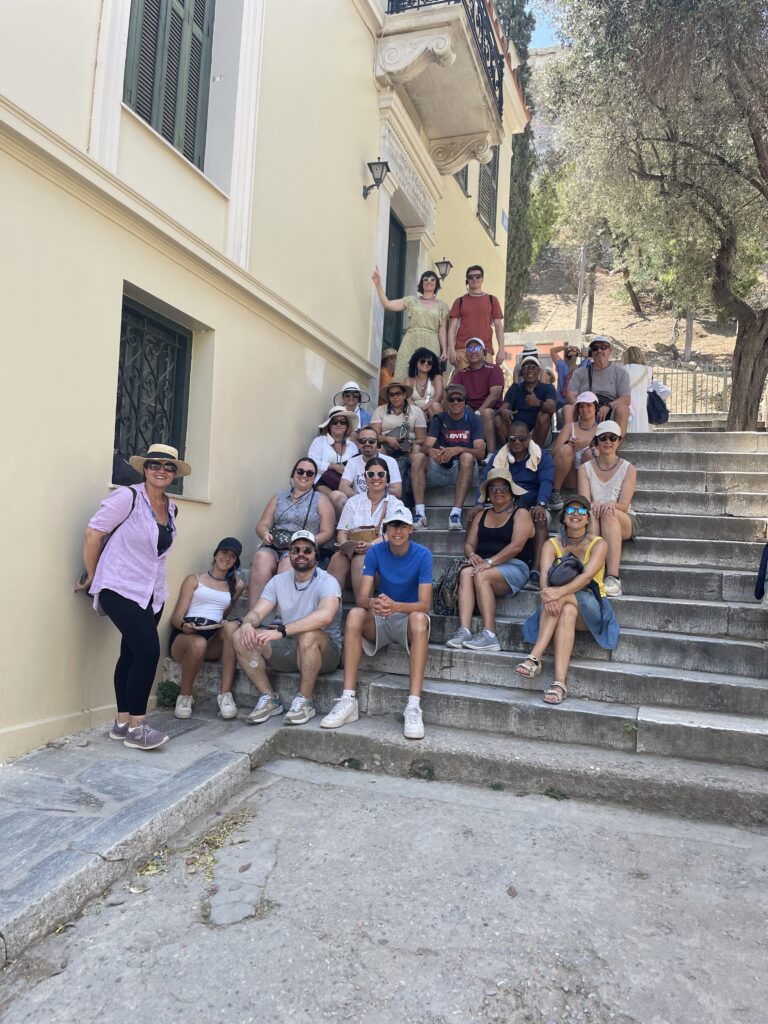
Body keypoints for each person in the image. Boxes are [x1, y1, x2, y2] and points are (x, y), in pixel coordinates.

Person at [75, 443, 189, 751]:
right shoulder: (128, 497)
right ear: (144, 468)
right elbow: (94, 533)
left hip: (151, 592)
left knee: (131, 654)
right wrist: (93, 574)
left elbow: (158, 552)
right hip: (119, 585)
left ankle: (122, 723)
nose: (161, 471)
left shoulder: (171, 507)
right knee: (148, 652)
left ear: (175, 474)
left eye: (168, 467)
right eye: (154, 465)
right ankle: (138, 728)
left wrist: (157, 593)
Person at [320, 508, 433, 740]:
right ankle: (348, 698)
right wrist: (374, 602)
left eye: (402, 526)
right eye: (393, 526)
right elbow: (362, 598)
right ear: (385, 530)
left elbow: (424, 605)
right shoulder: (375, 552)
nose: (397, 531)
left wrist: (396, 606)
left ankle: (413, 706)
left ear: (411, 529)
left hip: (408, 617)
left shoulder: (423, 554)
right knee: (355, 615)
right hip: (382, 615)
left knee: (420, 619)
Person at [515, 496, 619, 705]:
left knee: (563, 600)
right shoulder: (551, 544)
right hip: (563, 605)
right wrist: (548, 593)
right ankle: (559, 683)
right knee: (567, 611)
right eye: (571, 510)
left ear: (588, 519)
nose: (576, 514)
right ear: (563, 517)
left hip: (592, 605)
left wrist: (557, 593)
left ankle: (535, 657)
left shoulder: (599, 544)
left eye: (582, 511)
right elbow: (544, 577)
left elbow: (586, 577)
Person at [234, 531, 342, 726]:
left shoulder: (327, 581)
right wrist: (248, 623)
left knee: (308, 636)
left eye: (307, 550)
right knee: (239, 637)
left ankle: (306, 701)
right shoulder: (278, 581)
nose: (301, 554)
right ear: (289, 554)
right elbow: (258, 612)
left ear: (316, 554)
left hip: (325, 651)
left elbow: (325, 616)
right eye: (295, 550)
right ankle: (269, 698)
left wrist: (282, 631)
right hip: (289, 647)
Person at [446, 470, 535, 652]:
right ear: (487, 494)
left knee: (481, 575)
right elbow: (469, 544)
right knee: (465, 573)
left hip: (514, 566)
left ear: (512, 492)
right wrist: (472, 555)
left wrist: (490, 562)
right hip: (486, 565)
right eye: (493, 488)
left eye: (503, 487)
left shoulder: (521, 513)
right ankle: (464, 630)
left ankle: (490, 635)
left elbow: (516, 546)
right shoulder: (482, 515)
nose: (498, 491)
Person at [168, 538, 245, 721]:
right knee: (198, 643)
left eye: (233, 556)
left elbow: (224, 613)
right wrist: (184, 626)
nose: (227, 558)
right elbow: (176, 617)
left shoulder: (237, 585)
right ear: (216, 554)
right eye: (224, 552)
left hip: (212, 636)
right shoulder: (195, 579)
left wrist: (224, 624)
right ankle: (184, 697)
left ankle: (225, 695)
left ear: (236, 562)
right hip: (185, 635)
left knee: (231, 627)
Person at [248, 458, 335, 609]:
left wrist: (307, 542)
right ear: (293, 473)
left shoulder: (321, 500)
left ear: (315, 477)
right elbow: (262, 525)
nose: (304, 475)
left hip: (303, 548)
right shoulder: (279, 497)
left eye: (309, 473)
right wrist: (265, 534)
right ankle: (253, 614)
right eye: (300, 471)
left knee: (288, 562)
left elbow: (328, 532)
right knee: (261, 557)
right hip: (275, 544)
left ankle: (282, 616)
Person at [476, 423, 554, 578]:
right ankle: (479, 560)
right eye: (512, 438)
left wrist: (541, 504)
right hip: (504, 503)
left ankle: (536, 570)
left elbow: (546, 482)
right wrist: (479, 503)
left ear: (529, 438)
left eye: (522, 438)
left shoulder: (542, 456)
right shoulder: (499, 456)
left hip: (531, 504)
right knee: (475, 515)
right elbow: (486, 479)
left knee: (540, 517)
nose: (517, 441)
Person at [328, 457, 407, 603]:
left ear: (387, 478)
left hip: (384, 561)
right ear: (365, 478)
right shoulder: (353, 502)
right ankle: (331, 609)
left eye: (380, 474)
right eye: (371, 474)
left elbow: (395, 534)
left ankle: (363, 608)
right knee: (337, 558)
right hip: (353, 555)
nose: (375, 478)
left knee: (361, 560)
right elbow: (342, 533)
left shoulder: (396, 504)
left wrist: (371, 545)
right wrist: (346, 545)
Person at [410, 382, 485, 531]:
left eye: (459, 399)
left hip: (465, 470)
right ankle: (420, 514)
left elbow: (480, 453)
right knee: (418, 457)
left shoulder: (474, 419)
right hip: (441, 467)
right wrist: (432, 452)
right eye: (452, 399)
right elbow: (426, 446)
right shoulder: (439, 418)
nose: (456, 402)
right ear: (446, 402)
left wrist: (458, 449)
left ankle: (455, 514)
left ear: (465, 401)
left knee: (466, 457)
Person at [578, 420, 638, 597]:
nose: (608, 442)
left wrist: (610, 504)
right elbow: (584, 502)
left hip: (623, 517)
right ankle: (592, 574)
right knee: (590, 513)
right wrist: (594, 505)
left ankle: (613, 577)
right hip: (595, 515)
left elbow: (624, 505)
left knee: (608, 513)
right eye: (603, 438)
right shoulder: (584, 468)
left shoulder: (628, 468)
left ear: (619, 441)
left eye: (613, 438)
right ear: (596, 441)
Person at [372, 268, 450, 380]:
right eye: (425, 279)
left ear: (436, 284)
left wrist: (445, 351)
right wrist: (378, 284)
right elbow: (387, 305)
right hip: (411, 340)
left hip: (431, 342)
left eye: (433, 280)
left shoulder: (442, 306)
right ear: (421, 283)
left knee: (428, 376)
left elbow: (442, 330)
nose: (429, 281)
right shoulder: (411, 300)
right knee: (404, 373)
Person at [564, 336, 630, 437]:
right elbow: (570, 395)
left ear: (610, 351)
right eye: (595, 348)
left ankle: (614, 445)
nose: (599, 350)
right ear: (591, 352)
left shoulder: (621, 373)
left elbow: (626, 399)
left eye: (603, 347)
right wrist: (582, 407)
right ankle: (570, 442)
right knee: (568, 409)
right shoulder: (580, 372)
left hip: (609, 407)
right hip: (585, 405)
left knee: (623, 409)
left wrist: (608, 406)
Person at [450, 337, 505, 454]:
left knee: (485, 413)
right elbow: (451, 391)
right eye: (469, 349)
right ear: (466, 354)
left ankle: (490, 454)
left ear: (484, 352)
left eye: (477, 348)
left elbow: (495, 394)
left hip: (492, 410)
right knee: (455, 407)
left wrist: (478, 412)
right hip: (469, 409)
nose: (473, 351)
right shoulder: (462, 373)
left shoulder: (494, 369)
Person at [547, 391, 599, 510]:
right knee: (566, 449)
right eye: (581, 406)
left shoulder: (601, 428)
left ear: (595, 408)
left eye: (589, 405)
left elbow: (607, 455)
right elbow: (554, 453)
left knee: (591, 452)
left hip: (591, 479)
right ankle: (555, 493)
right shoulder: (570, 427)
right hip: (570, 477)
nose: (585, 409)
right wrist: (569, 445)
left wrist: (590, 442)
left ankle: (592, 496)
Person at [448, 265, 505, 369]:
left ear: (482, 279)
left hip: (485, 350)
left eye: (478, 276)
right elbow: (452, 328)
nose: (474, 279)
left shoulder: (492, 300)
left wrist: (501, 349)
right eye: (471, 277)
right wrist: (451, 349)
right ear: (467, 281)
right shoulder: (459, 301)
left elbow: (499, 327)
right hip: (463, 351)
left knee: (485, 380)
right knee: (462, 380)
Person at [498, 354, 557, 447]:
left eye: (533, 367)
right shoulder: (515, 388)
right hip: (516, 433)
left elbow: (552, 408)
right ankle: (509, 449)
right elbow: (502, 408)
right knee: (498, 419)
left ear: (539, 371)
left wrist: (538, 403)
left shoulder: (548, 388)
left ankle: (537, 451)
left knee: (544, 415)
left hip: (538, 432)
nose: (530, 370)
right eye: (526, 367)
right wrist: (504, 411)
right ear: (521, 372)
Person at [337, 426, 403, 509]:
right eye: (363, 441)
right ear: (358, 444)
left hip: (383, 503)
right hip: (359, 503)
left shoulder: (390, 461)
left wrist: (378, 494)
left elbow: (397, 492)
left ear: (378, 444)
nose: (367, 444)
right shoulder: (352, 462)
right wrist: (362, 499)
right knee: (336, 496)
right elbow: (343, 487)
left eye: (371, 441)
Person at [307, 406, 359, 503]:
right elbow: (311, 465)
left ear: (347, 425)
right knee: (337, 498)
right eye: (335, 422)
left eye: (343, 422)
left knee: (345, 498)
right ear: (329, 425)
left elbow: (357, 467)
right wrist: (333, 466)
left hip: (346, 484)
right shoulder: (319, 441)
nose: (339, 424)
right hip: (322, 483)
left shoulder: (352, 446)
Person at [372, 379, 428, 460]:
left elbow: (422, 439)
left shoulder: (416, 411)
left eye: (398, 393)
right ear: (389, 397)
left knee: (417, 449)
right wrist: (387, 439)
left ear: (404, 395)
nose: (395, 397)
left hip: (408, 446)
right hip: (386, 445)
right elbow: (373, 436)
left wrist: (412, 442)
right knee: (377, 449)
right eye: (392, 394)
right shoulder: (380, 410)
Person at [405, 347, 444, 420]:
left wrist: (422, 409)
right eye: (422, 361)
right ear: (416, 362)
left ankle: (435, 427)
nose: (426, 363)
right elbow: (408, 399)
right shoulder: (409, 379)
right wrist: (418, 412)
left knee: (435, 405)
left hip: (431, 411)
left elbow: (438, 397)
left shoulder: (436, 377)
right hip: (414, 412)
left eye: (429, 362)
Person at [622, 346, 652, 433]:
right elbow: (648, 387)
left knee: (628, 427)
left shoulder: (626, 368)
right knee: (641, 426)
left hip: (628, 403)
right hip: (642, 403)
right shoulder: (648, 370)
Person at [549, 341, 582, 417]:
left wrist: (568, 347)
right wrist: (579, 353)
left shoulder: (562, 365)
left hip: (561, 401)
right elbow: (590, 357)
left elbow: (552, 351)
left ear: (565, 357)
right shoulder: (581, 368)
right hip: (575, 402)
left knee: (561, 424)